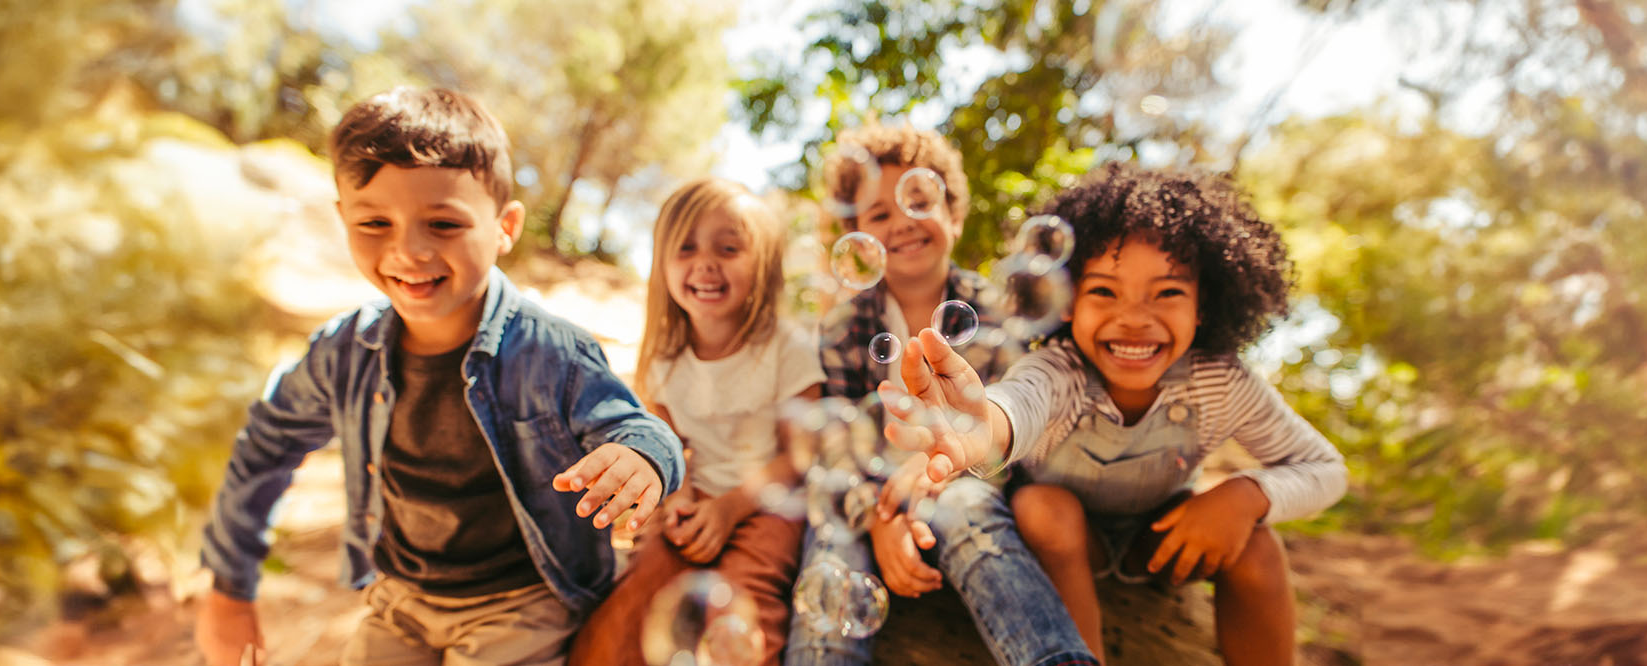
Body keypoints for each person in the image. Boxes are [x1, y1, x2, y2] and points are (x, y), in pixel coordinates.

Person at [193, 86, 684, 666]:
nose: (408, 251)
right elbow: (265, 445)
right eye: (375, 222)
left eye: (443, 224)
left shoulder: (551, 351)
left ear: (504, 227)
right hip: (402, 600)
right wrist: (228, 586)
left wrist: (643, 459)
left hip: (522, 606)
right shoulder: (343, 352)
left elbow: (638, 428)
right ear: (342, 219)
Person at [879, 163, 1348, 666]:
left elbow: (1326, 469)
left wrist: (1246, 495)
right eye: (1103, 291)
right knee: (1043, 506)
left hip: (1161, 537)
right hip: (1066, 540)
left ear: (1204, 305)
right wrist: (981, 425)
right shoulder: (1059, 371)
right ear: (1064, 301)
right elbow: (1019, 403)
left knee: (1257, 542)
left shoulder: (1220, 382)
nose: (1134, 319)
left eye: (1167, 293)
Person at [788, 125, 1098, 666]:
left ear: (954, 215)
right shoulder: (841, 328)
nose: (902, 222)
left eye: (918, 201)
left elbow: (1004, 435)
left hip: (959, 481)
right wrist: (881, 516)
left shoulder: (997, 312)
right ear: (857, 238)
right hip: (868, 491)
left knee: (973, 517)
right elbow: (835, 443)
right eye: (878, 214)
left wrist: (927, 488)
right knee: (833, 544)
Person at [568, 179, 822, 665]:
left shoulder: (786, 347)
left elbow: (800, 454)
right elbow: (665, 446)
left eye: (728, 248)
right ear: (662, 265)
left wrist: (730, 508)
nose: (705, 263)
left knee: (746, 605)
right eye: (685, 248)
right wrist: (678, 495)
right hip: (695, 499)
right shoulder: (666, 359)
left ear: (764, 266)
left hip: (768, 505)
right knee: (636, 595)